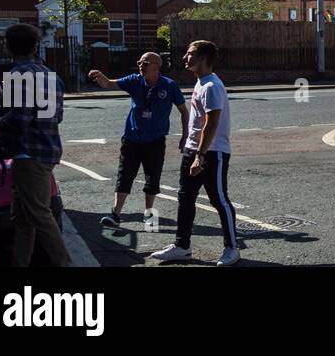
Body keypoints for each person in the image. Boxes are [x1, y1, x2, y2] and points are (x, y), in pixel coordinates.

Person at [0, 23, 71, 266]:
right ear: (35, 46)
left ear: (10, 48)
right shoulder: (51, 76)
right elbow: (57, 116)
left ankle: (65, 263)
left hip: (27, 154)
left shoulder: (18, 75)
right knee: (24, 219)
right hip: (47, 150)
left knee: (40, 215)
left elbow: (19, 119)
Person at [150, 40, 239, 265]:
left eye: (189, 54)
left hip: (212, 152)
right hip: (194, 149)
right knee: (185, 197)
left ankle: (232, 248)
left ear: (203, 58)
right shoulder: (200, 83)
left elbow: (212, 123)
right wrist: (189, 144)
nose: (184, 58)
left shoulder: (212, 86)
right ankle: (182, 246)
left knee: (219, 200)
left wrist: (200, 155)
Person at [88, 52, 188, 231]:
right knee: (125, 175)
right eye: (139, 62)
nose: (141, 65)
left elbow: (184, 111)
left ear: (157, 66)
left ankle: (149, 214)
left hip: (155, 140)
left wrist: (185, 135)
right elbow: (109, 84)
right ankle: (115, 215)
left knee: (152, 177)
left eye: (145, 62)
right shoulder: (135, 80)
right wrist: (101, 77)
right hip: (132, 139)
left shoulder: (169, 85)